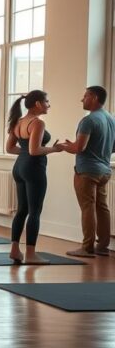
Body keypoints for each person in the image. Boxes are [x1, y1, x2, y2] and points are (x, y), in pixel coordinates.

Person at [6, 90, 65, 264]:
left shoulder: (18, 121)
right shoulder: (37, 123)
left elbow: (10, 148)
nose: (49, 105)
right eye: (47, 101)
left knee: (22, 210)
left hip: (19, 167)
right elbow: (35, 150)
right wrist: (55, 149)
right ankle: (31, 254)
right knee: (34, 211)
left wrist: (24, 152)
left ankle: (15, 250)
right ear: (38, 104)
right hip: (33, 168)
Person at [60, 86, 115, 258]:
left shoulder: (88, 121)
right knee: (102, 207)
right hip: (104, 171)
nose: (82, 99)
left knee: (87, 207)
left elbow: (79, 147)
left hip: (87, 172)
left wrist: (64, 146)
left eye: (85, 96)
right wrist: (98, 152)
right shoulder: (110, 119)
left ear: (94, 97)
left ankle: (87, 247)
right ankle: (103, 246)